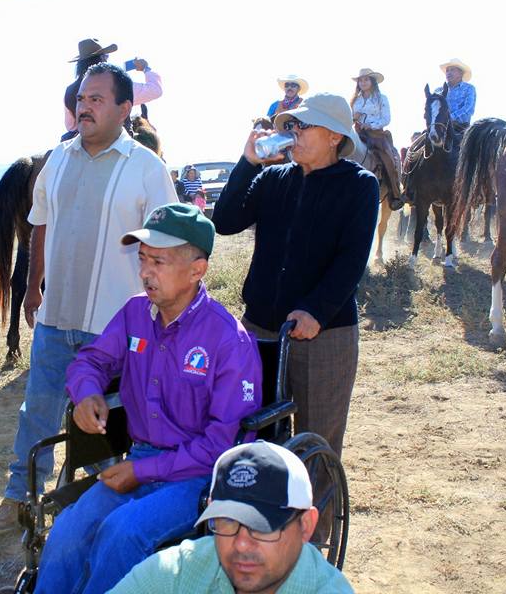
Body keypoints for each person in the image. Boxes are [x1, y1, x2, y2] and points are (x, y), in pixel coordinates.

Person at [32, 203, 263, 593]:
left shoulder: (227, 340)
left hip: (198, 477)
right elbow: (91, 361)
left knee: (122, 534)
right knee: (69, 529)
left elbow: (222, 447)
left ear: (197, 270)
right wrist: (87, 394)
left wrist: (142, 471)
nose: (144, 272)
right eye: (142, 259)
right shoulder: (135, 313)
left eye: (158, 262)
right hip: (139, 458)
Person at [0, 63, 177, 534]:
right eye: (81, 99)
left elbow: (167, 243)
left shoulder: (147, 168)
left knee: (105, 422)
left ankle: (103, 502)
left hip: (114, 326)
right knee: (38, 412)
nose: (84, 107)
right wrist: (34, 285)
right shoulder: (57, 159)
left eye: (96, 99)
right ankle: (21, 494)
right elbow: (40, 223)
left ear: (124, 108)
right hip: (56, 318)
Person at [212, 93, 378, 465]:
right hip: (260, 329)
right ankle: (263, 504)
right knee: (255, 436)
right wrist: (247, 163)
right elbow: (224, 221)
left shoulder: (359, 185)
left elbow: (351, 260)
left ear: (335, 136)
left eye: (305, 125)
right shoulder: (272, 178)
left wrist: (316, 311)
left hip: (323, 334)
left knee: (316, 441)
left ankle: (316, 506)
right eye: (292, 125)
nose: (294, 132)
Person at [109, 441, 354, 593]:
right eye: (228, 521)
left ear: (306, 526)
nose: (242, 544)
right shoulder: (179, 571)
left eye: (263, 526)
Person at [63, 38, 163, 137]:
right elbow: (155, 90)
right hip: (114, 142)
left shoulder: (70, 90)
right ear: (102, 59)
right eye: (106, 56)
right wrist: (145, 68)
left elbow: (71, 126)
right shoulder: (116, 83)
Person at [350, 68, 404, 210]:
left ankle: (394, 193)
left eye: (366, 79)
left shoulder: (381, 98)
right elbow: (350, 118)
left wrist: (371, 125)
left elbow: (386, 118)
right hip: (358, 133)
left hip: (376, 134)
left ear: (372, 81)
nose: (363, 82)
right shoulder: (355, 100)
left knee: (387, 158)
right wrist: (353, 118)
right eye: (360, 80)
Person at [435, 58, 476, 130]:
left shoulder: (469, 88)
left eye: (452, 70)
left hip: (461, 128)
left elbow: (468, 107)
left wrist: (450, 117)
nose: (449, 73)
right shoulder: (438, 91)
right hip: (440, 126)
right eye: (447, 71)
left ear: (461, 73)